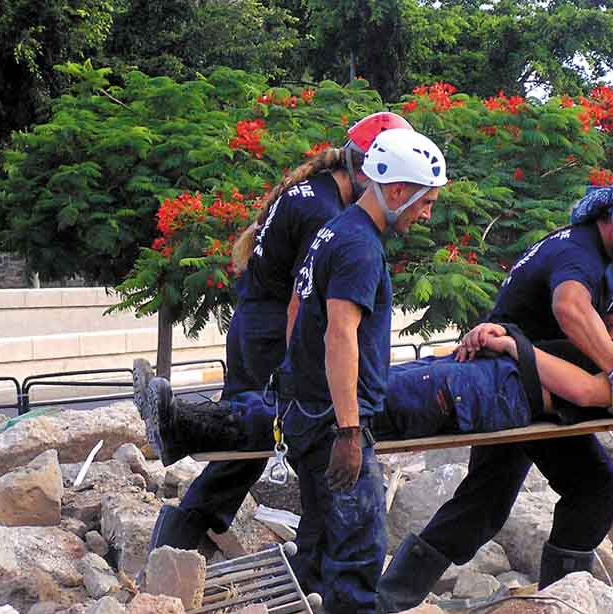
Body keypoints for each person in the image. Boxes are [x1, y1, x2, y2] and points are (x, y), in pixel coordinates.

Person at [375, 162, 613, 614]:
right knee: (592, 488)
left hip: (530, 386)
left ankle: (390, 602)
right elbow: (570, 308)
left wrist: (608, 359)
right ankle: (559, 607)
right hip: (510, 387)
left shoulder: (610, 257)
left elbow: (603, 324)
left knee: (486, 501)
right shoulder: (578, 251)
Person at [135, 112, 413, 550]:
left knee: (253, 433)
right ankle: (182, 436)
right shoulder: (326, 212)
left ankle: (183, 532)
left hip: (252, 322)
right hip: (272, 331)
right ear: (365, 169)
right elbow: (303, 304)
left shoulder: (315, 194)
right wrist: (303, 371)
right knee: (285, 427)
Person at [269, 127, 446, 614]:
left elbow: (300, 312)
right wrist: (348, 432)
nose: (427, 213)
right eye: (425, 200)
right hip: (333, 421)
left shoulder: (335, 228)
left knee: (321, 533)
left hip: (308, 408)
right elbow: (340, 336)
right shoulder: (359, 247)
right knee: (359, 543)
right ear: (396, 191)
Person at [135, 313, 613, 456]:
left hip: (492, 393)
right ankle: (189, 416)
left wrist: (515, 347)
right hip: (489, 385)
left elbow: (590, 393)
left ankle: (184, 428)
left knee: (337, 408)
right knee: (333, 393)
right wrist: (506, 337)